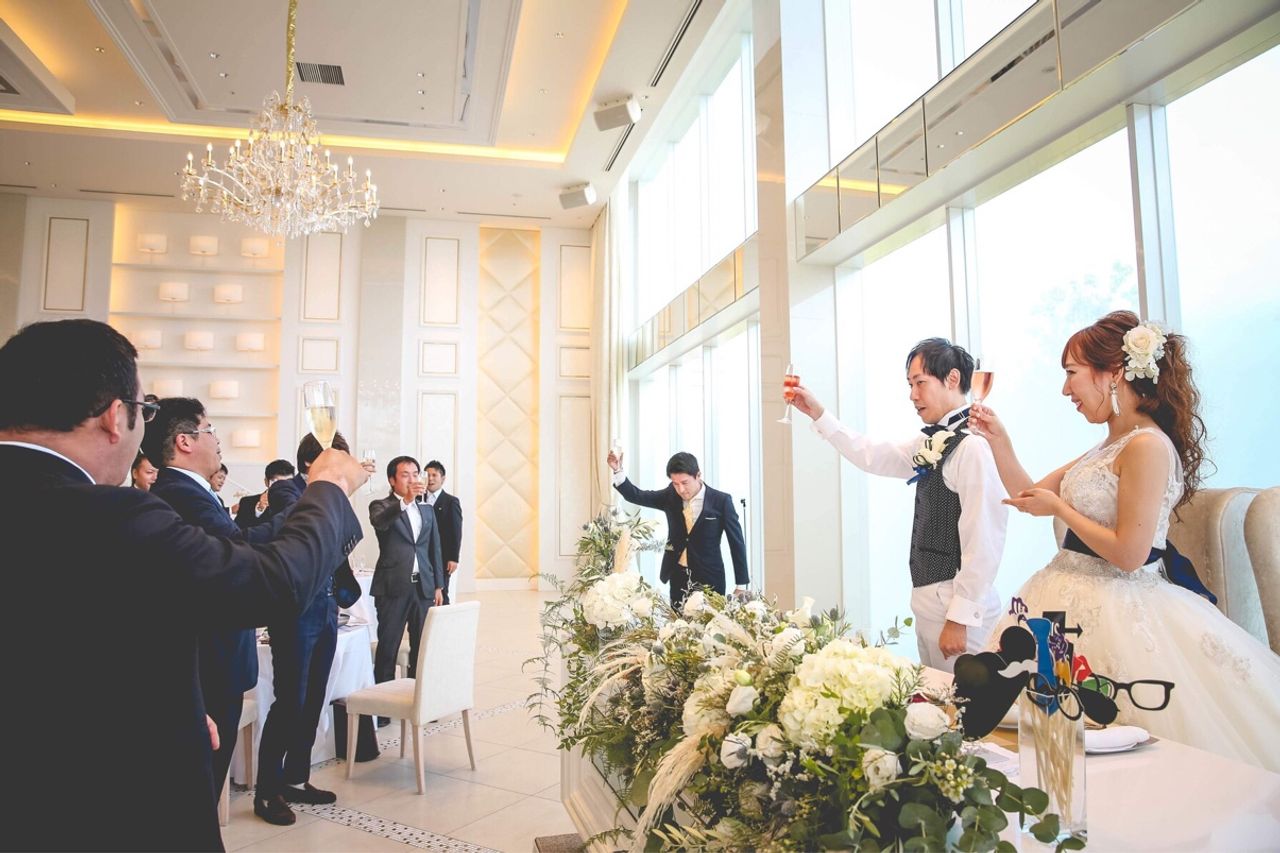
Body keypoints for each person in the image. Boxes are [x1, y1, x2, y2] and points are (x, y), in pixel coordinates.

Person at [0, 319, 367, 852]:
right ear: (115, 417)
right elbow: (271, 584)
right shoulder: (113, 516)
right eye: (143, 411)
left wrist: (164, 706)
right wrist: (328, 487)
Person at [972, 310, 1280, 772]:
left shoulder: (1147, 446)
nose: (1065, 390)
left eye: (1071, 373)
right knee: (1045, 741)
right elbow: (1029, 495)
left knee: (1123, 749)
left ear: (1113, 372)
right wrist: (999, 440)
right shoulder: (1106, 445)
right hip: (1060, 596)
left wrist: (1062, 511)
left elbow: (1131, 554)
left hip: (1121, 600)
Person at [790, 338, 1007, 672]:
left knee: (963, 701)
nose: (912, 395)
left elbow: (984, 538)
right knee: (932, 699)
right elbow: (872, 454)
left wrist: (960, 618)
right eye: (910, 385)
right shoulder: (930, 440)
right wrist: (819, 414)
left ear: (952, 379)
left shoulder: (973, 447)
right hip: (927, 606)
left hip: (958, 613)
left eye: (920, 383)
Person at [143, 398, 291, 804]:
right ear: (185, 441)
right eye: (210, 429)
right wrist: (300, 508)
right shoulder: (180, 493)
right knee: (198, 792)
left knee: (204, 787)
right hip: (208, 664)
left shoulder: (192, 491)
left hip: (217, 661)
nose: (218, 440)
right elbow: (238, 548)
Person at [254, 431, 358, 825]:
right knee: (290, 701)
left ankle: (296, 777)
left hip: (327, 607)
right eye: (339, 460)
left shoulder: (333, 495)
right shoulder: (289, 492)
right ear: (314, 463)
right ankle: (267, 791)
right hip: (296, 613)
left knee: (315, 698)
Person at [608, 450, 748, 609]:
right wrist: (618, 471)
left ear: (698, 475)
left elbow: (736, 543)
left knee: (710, 624)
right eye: (675, 483)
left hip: (710, 579)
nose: (680, 489)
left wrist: (741, 585)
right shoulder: (670, 496)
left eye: (684, 482)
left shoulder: (721, 501)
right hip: (678, 577)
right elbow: (637, 496)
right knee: (677, 623)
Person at [369, 456, 445, 688]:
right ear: (392, 480)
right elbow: (380, 523)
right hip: (392, 587)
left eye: (415, 474)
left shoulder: (427, 509)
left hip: (423, 588)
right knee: (388, 647)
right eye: (405, 475)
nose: (412, 479)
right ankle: (382, 700)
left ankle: (417, 696)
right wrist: (406, 501)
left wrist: (438, 585)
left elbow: (435, 548)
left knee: (422, 647)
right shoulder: (380, 506)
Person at [424, 459, 463, 604]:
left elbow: (456, 531)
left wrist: (453, 557)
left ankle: (444, 616)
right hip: (422, 554)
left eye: (434, 475)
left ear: (443, 478)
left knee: (442, 590)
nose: (430, 479)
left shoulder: (451, 501)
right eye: (427, 475)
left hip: (443, 556)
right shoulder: (418, 499)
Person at [236, 458, 296, 530]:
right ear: (266, 482)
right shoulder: (247, 503)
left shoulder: (300, 503)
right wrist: (259, 510)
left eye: (287, 483)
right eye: (277, 483)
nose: (283, 487)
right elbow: (239, 532)